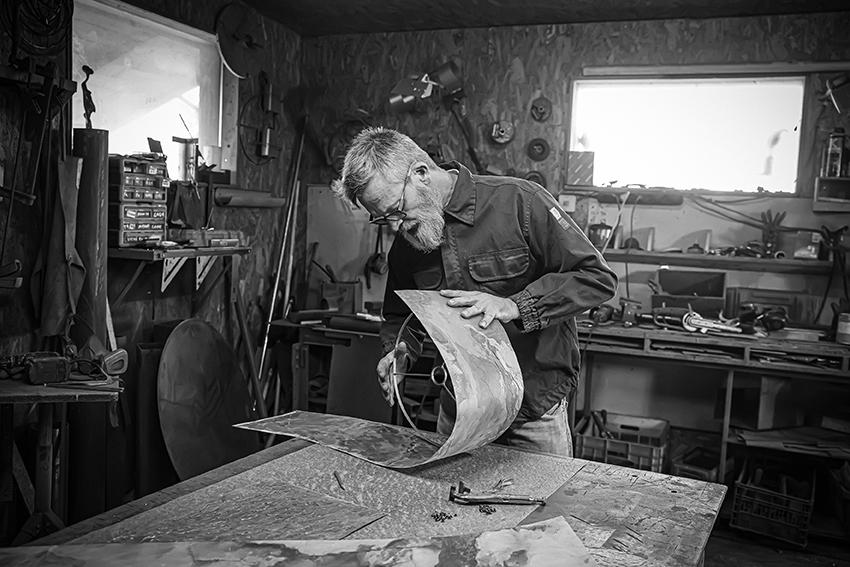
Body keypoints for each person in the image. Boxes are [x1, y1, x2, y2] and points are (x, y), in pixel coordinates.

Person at [331, 127, 617, 456]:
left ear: (421, 173)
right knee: (450, 492)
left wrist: (516, 305)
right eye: (383, 219)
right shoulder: (408, 240)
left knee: (542, 493)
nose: (396, 225)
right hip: (459, 411)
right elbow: (400, 316)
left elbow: (596, 277)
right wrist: (401, 351)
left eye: (396, 209)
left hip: (533, 411)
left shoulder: (520, 202)